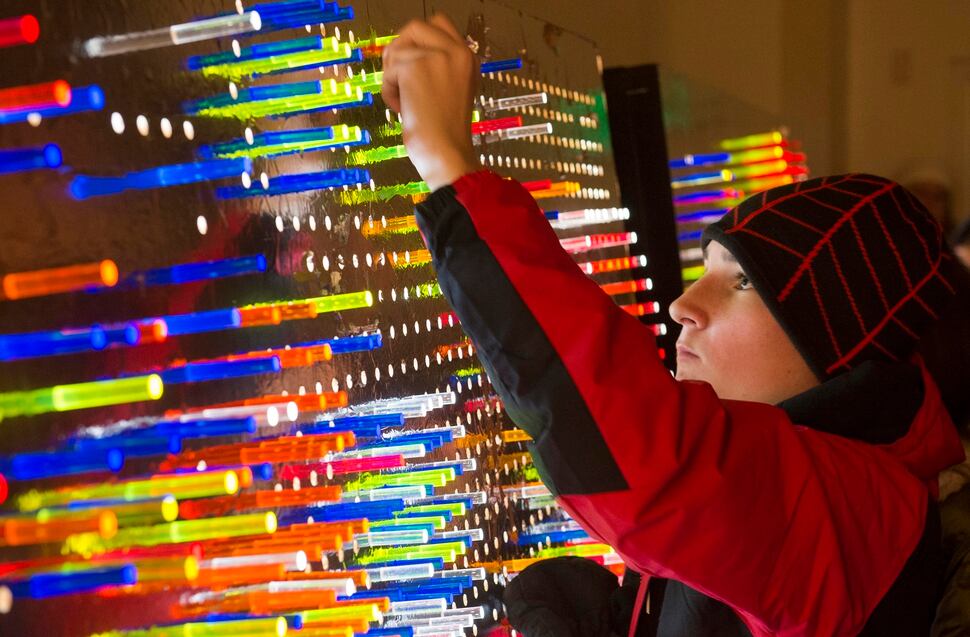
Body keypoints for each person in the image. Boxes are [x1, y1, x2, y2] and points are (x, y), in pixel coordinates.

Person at [381, 15, 968, 636]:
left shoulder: (857, 505)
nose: (683, 304)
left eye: (744, 282)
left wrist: (451, 168)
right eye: (706, 269)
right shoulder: (838, 493)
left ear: (843, 346)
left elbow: (644, 460)